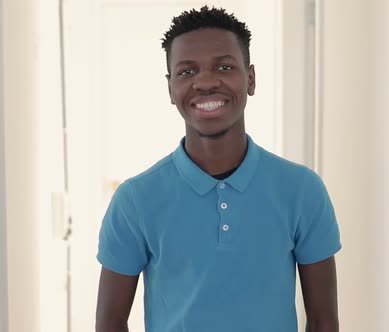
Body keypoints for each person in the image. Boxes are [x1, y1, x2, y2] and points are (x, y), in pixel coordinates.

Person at [95, 6, 341, 332]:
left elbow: (324, 321)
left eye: (224, 66)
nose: (206, 82)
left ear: (250, 78)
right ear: (170, 89)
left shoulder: (302, 190)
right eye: (187, 72)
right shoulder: (135, 199)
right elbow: (110, 323)